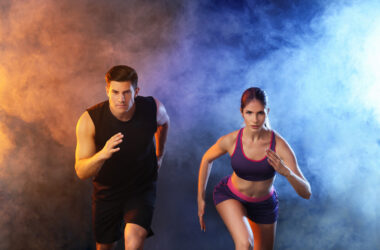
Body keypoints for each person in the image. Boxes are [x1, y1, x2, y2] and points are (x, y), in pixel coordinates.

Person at [197, 87, 311, 250]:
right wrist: (200, 199)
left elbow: (306, 192)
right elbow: (207, 158)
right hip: (231, 195)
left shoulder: (279, 144)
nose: (255, 119)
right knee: (244, 243)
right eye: (249, 113)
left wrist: (287, 173)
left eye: (260, 113)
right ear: (241, 112)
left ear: (267, 112)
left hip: (264, 205)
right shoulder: (232, 140)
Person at [75, 65, 169, 250]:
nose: (121, 99)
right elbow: (81, 171)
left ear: (136, 92)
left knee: (134, 239)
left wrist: (159, 154)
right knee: (104, 246)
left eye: (126, 92)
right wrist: (102, 155)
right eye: (115, 92)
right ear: (107, 90)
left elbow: (164, 123)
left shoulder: (153, 108)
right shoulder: (89, 120)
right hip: (107, 191)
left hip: (141, 187)